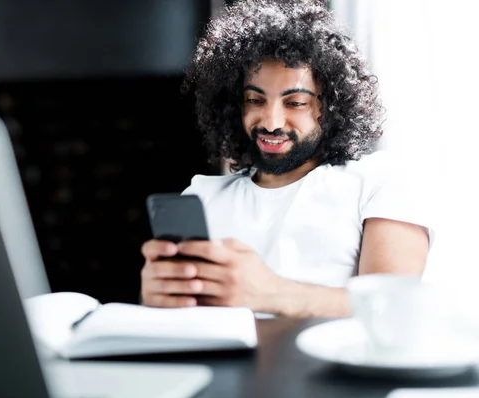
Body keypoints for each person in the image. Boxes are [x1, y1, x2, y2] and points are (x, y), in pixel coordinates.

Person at [140, 0, 433, 318]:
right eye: (255, 99)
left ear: (330, 106)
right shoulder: (203, 196)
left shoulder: (379, 181)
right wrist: (154, 298)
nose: (271, 122)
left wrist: (270, 293)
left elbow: (394, 310)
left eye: (294, 102)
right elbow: (174, 324)